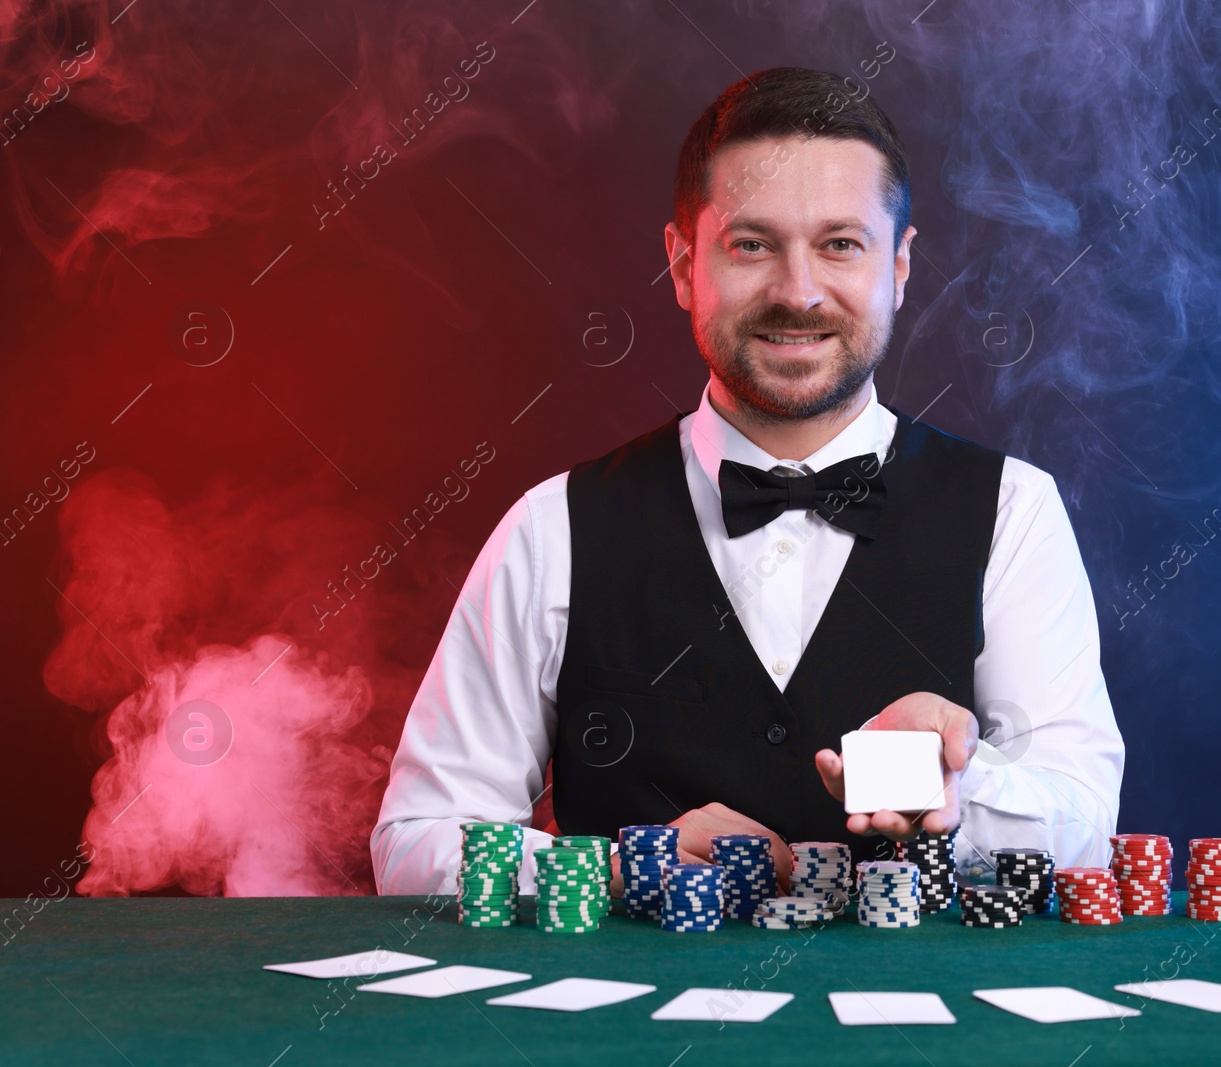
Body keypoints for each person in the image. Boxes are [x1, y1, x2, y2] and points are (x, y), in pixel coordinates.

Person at [371, 66, 1123, 896]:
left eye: (841, 244)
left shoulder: (1013, 510)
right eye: (752, 245)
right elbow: (416, 843)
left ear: (900, 269)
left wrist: (955, 784)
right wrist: (627, 869)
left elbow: (1084, 827)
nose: (797, 293)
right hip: (623, 1027)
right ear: (684, 264)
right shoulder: (552, 527)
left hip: (924, 1025)